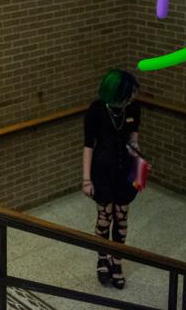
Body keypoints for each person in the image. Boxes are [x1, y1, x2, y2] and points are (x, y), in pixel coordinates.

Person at [82, 69, 142, 289]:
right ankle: (102, 258)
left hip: (125, 171)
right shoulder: (96, 110)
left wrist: (138, 159)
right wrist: (86, 179)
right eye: (129, 93)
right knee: (104, 217)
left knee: (122, 217)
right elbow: (89, 145)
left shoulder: (133, 108)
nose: (133, 97)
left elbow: (134, 138)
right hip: (102, 171)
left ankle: (117, 261)